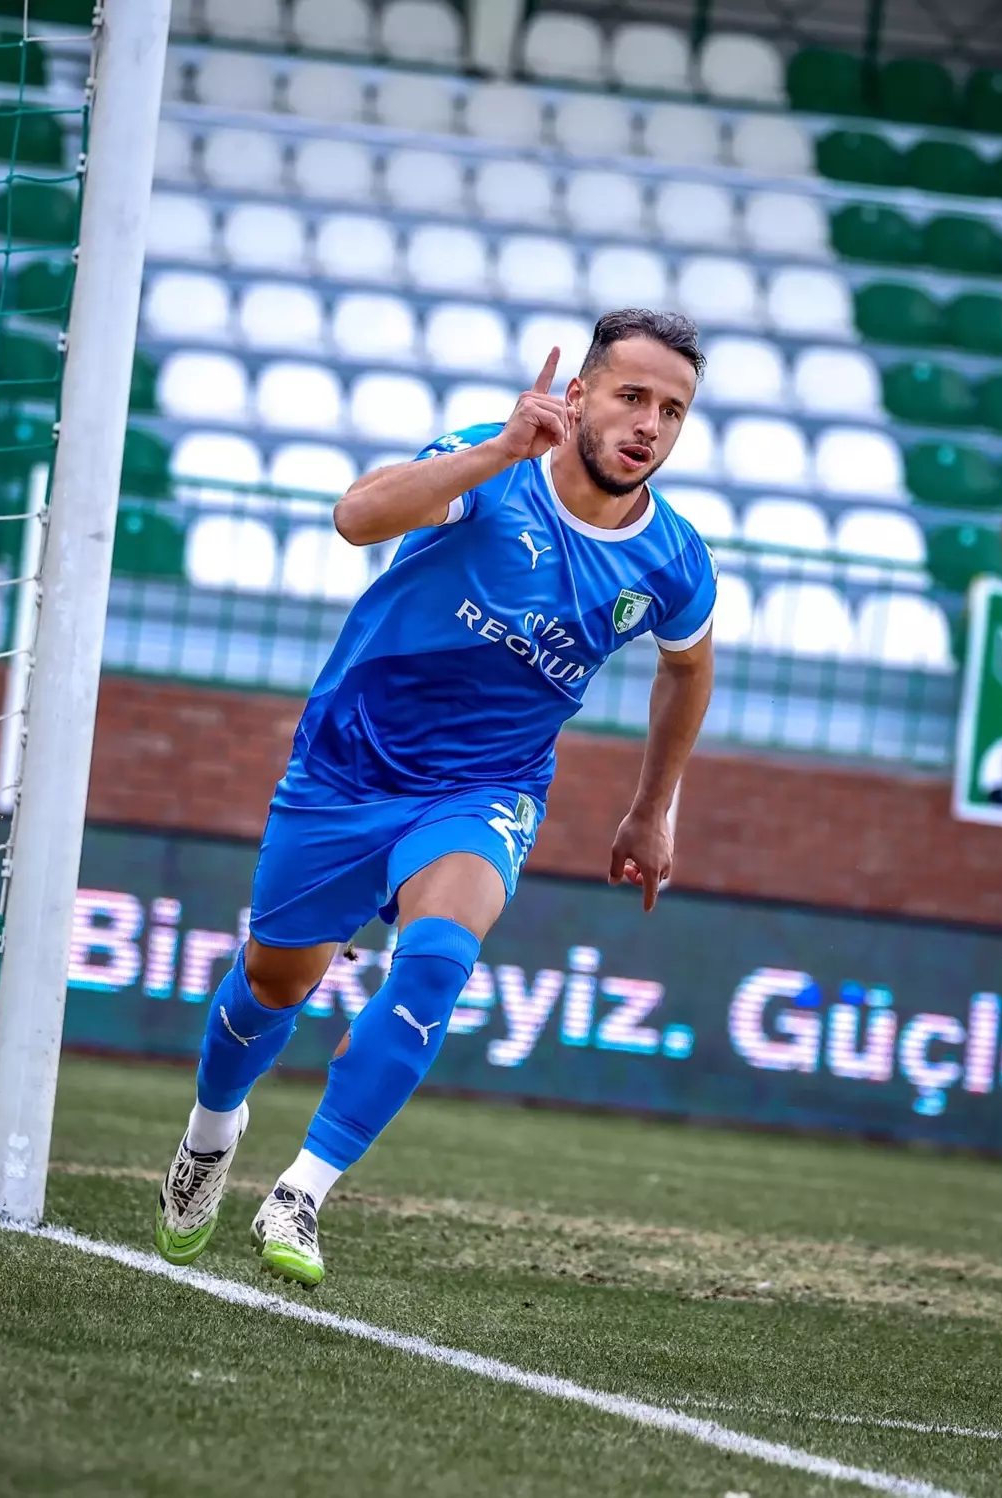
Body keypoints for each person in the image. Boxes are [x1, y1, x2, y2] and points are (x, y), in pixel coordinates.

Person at [155, 309, 718, 1286]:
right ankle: (211, 1132)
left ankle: (304, 1191)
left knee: (438, 960)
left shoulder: (670, 558)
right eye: (631, 396)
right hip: (346, 769)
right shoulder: (490, 465)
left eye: (672, 410)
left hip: (483, 790)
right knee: (275, 984)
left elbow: (689, 667)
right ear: (578, 396)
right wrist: (499, 445)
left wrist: (652, 808)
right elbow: (356, 516)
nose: (649, 425)